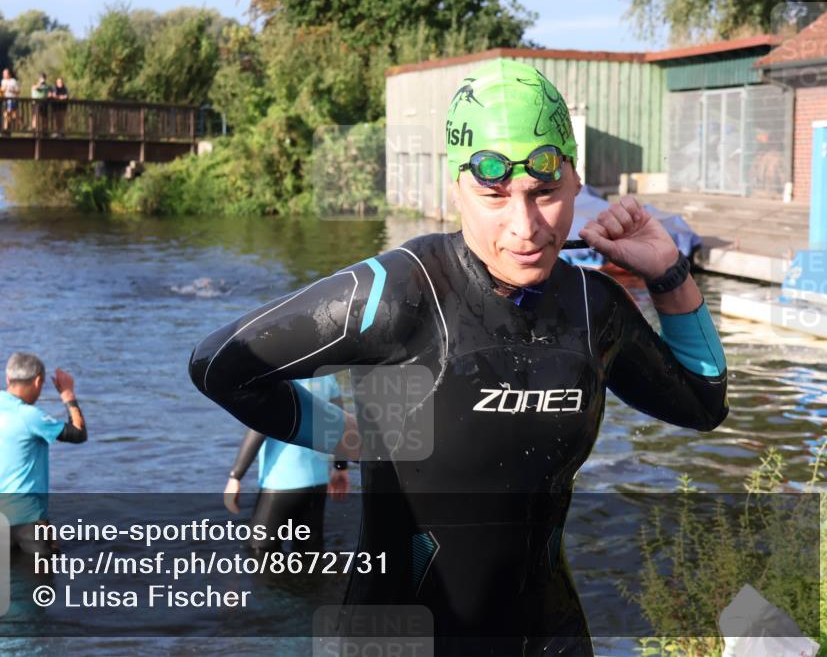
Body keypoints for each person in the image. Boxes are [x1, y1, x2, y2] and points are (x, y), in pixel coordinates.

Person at [190, 59, 728, 655]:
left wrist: (668, 274)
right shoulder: (401, 292)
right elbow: (220, 365)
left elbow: (703, 405)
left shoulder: (590, 306)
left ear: (576, 182)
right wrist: (348, 439)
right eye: (493, 195)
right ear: (456, 191)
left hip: (550, 638)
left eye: (545, 193)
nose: (524, 228)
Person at [224, 375, 350, 554]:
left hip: (281, 483)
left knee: (259, 550)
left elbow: (259, 427)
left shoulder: (278, 379)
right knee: (310, 551)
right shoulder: (327, 377)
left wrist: (235, 476)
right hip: (318, 482)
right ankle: (310, 581)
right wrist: (340, 467)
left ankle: (275, 582)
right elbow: (340, 423)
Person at [0, 353, 88, 555]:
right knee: (43, 585)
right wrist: (68, 395)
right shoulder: (30, 416)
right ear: (38, 381)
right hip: (30, 522)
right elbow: (79, 433)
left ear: (7, 378)